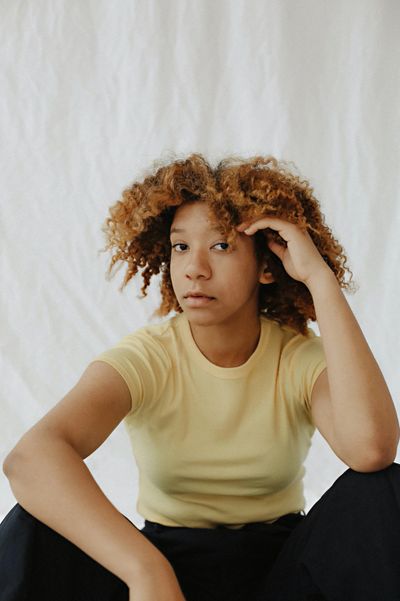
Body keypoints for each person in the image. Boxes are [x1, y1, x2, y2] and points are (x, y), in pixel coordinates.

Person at [1, 153, 399, 601]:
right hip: (166, 570)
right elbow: (30, 458)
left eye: (222, 246)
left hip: (279, 576)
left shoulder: (296, 357)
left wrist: (320, 281)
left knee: (381, 489)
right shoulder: (148, 357)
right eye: (181, 246)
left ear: (267, 265)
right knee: (34, 522)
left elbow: (371, 450)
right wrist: (146, 571)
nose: (194, 268)